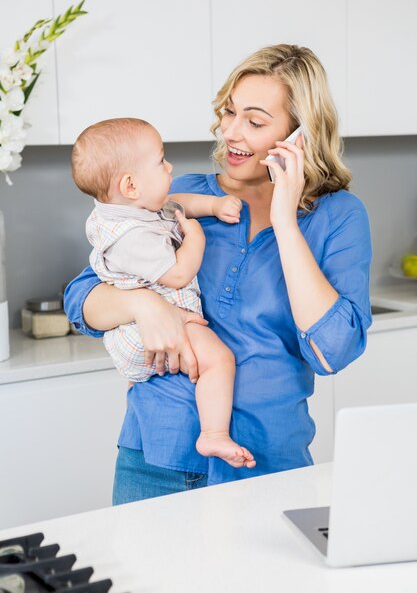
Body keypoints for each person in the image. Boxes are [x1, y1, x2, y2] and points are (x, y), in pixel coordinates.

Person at [64, 43, 372, 504]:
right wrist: (141, 304)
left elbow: (333, 352)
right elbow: (82, 296)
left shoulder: (338, 217)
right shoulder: (177, 197)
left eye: (254, 120)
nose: (230, 132)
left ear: (300, 134)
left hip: (267, 467)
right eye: (228, 113)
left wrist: (286, 221)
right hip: (157, 459)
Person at [71, 117, 256, 469]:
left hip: (150, 328)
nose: (170, 166)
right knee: (218, 360)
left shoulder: (136, 209)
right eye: (160, 161)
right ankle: (213, 435)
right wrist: (196, 237)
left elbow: (175, 204)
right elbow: (178, 273)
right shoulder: (129, 236)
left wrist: (214, 206)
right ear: (130, 185)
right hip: (155, 329)